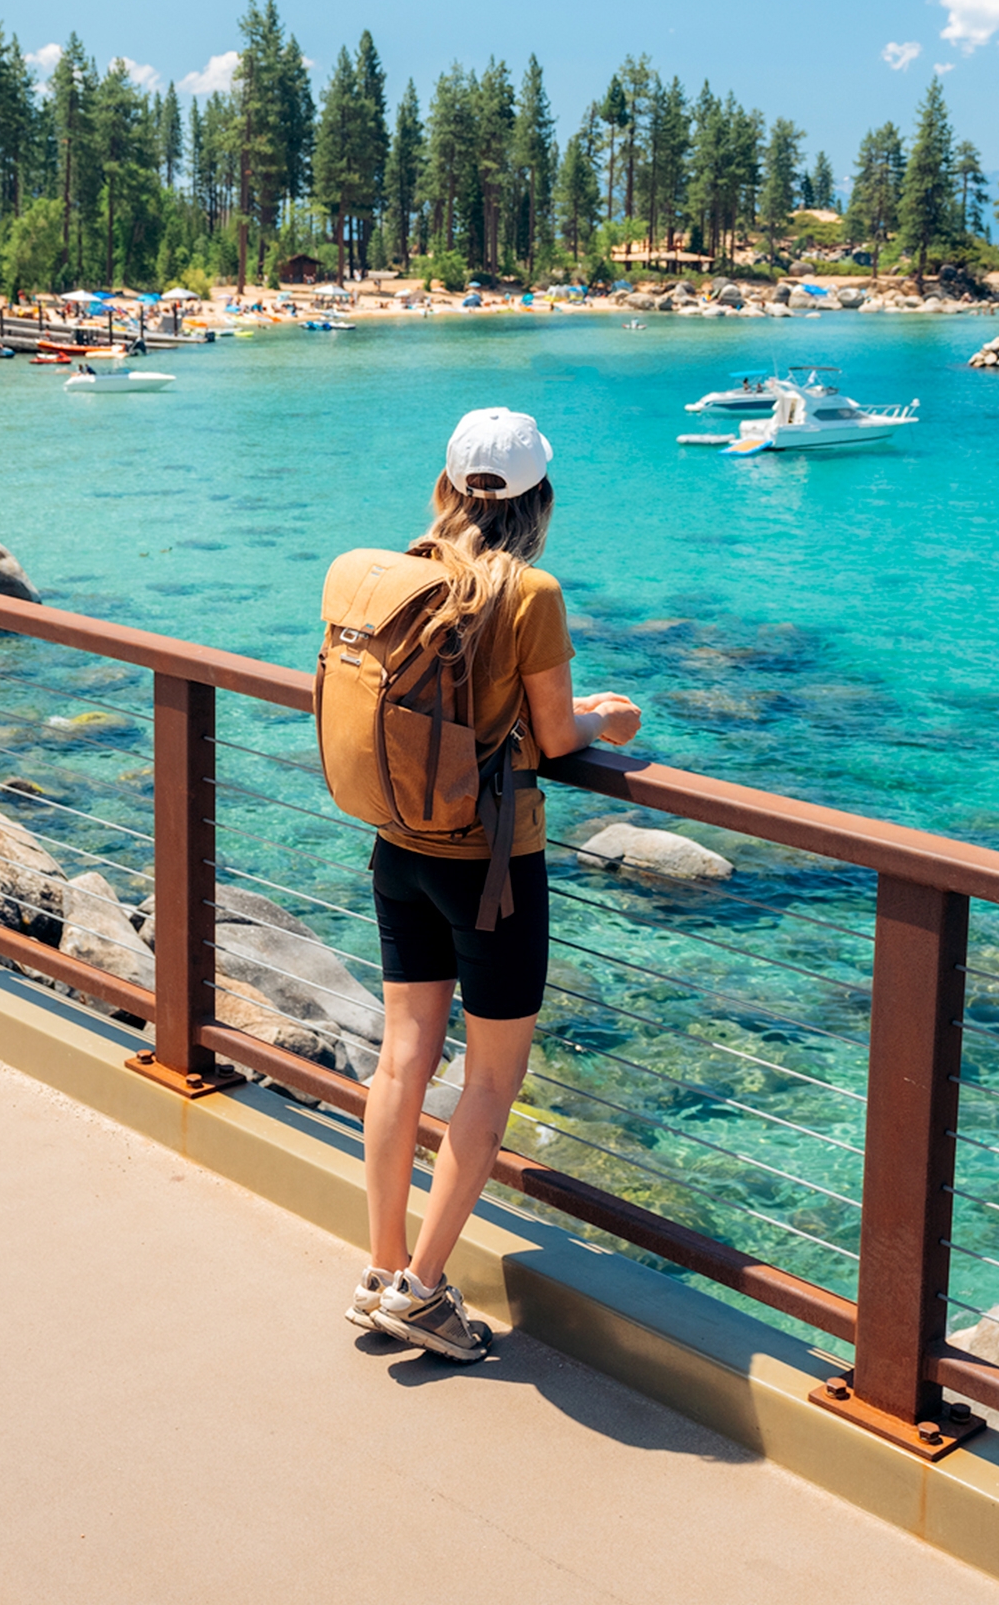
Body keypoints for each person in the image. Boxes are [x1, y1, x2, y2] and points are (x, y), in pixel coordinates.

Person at [351, 408, 642, 1362]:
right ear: (538, 499)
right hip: (492, 870)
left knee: (402, 1058)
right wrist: (610, 718)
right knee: (489, 1077)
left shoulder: (402, 570)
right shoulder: (533, 592)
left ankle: (380, 1267)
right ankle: (425, 1290)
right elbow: (558, 739)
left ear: (447, 488)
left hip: (400, 844)